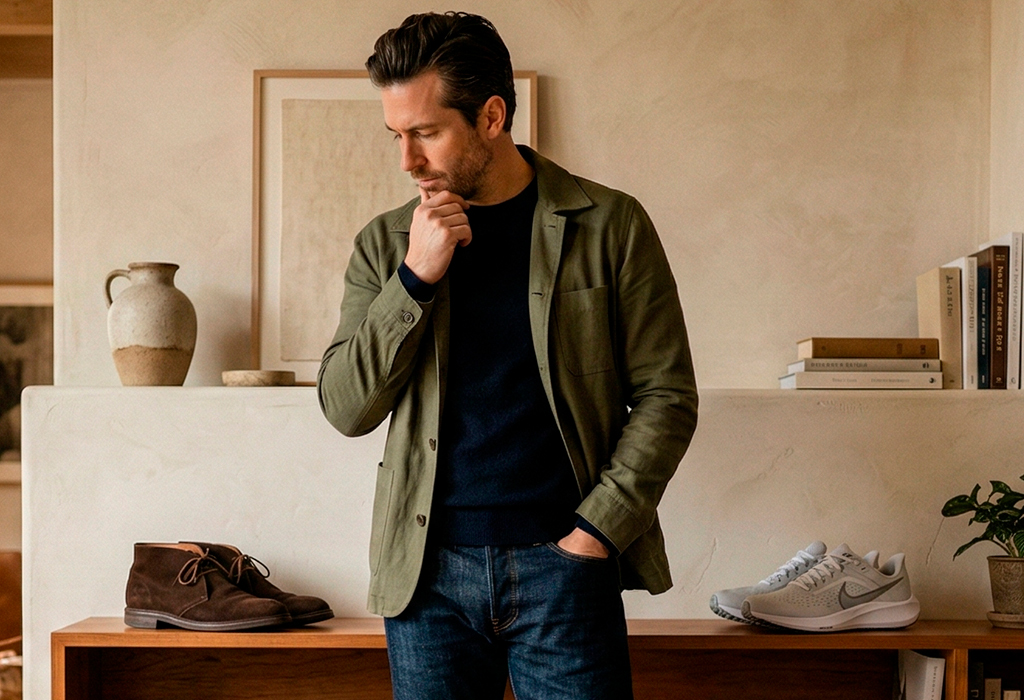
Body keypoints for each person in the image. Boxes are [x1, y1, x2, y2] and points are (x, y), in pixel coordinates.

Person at [317, 11, 698, 699]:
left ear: (491, 116)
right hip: (426, 578)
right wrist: (415, 279)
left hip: (566, 567)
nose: (407, 160)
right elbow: (346, 408)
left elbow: (667, 395)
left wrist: (595, 535)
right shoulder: (385, 245)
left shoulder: (610, 225)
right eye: (396, 136)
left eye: (426, 133)